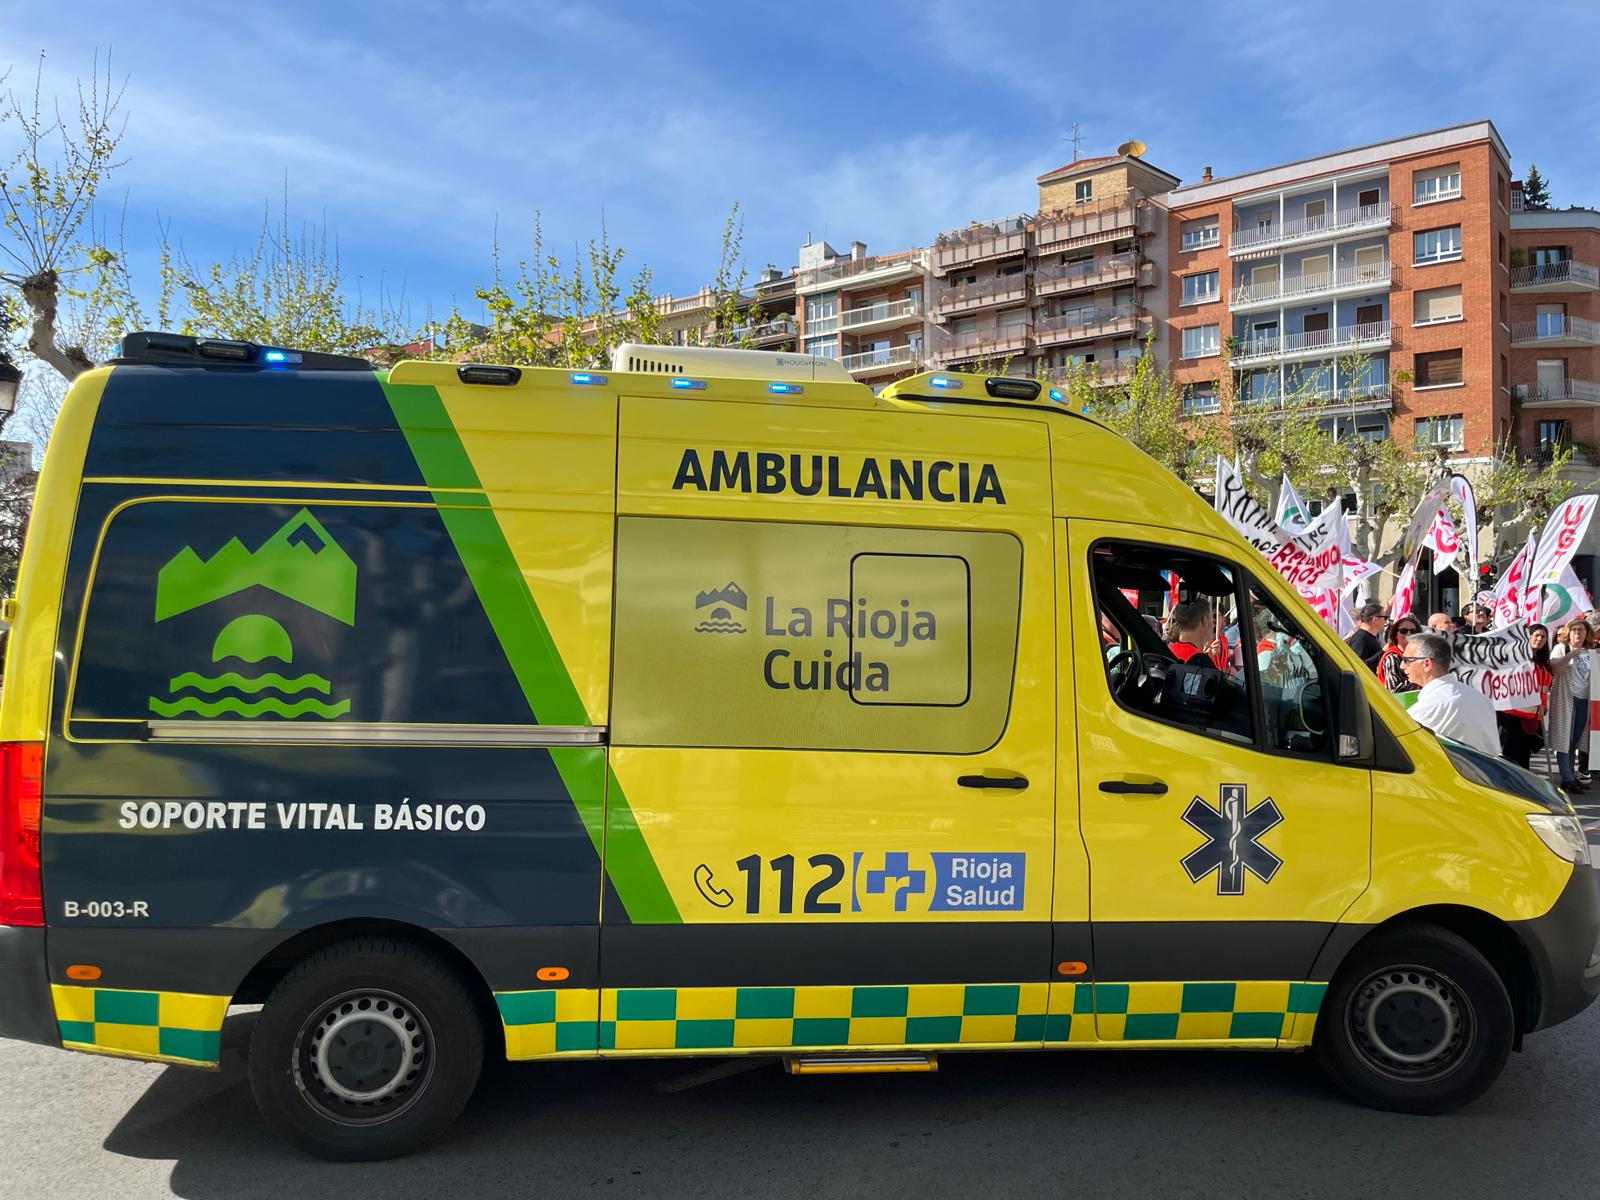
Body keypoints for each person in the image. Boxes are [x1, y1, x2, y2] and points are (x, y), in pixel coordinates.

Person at [1402, 631, 1501, 756]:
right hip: (1488, 771)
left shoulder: (1428, 707)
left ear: (1426, 664)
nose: (1402, 666)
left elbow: (1404, 748)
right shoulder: (1480, 698)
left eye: (1407, 660)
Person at [1498, 622, 1552, 769]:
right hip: (1512, 715)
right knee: (1510, 756)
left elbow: (1544, 686)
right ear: (1527, 637)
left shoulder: (1543, 663)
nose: (1539, 639)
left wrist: (1544, 703)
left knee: (1523, 757)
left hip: (1532, 716)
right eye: (1536, 635)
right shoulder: (1516, 658)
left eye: (1543, 636)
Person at [1549, 618, 1593, 792]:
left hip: (1584, 699)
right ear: (1568, 632)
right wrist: (1570, 656)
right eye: (1574, 629)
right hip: (1566, 698)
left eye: (1581, 629)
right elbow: (1554, 670)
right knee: (1563, 739)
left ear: (1586, 633)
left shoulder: (1590, 652)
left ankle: (1571, 775)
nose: (1577, 632)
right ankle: (1567, 778)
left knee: (1575, 739)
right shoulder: (1561, 648)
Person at [1166, 598, 1220, 669]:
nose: (1213, 624)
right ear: (1204, 620)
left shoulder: (1168, 649)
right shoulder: (1201, 663)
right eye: (1212, 618)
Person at [1377, 616, 1421, 693]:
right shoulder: (1392, 657)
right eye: (1403, 631)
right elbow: (1394, 689)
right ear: (1395, 635)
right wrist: (1419, 676)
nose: (1409, 634)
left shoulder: (1419, 655)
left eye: (1413, 631)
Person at [1344, 602, 1386, 669]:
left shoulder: (1369, 637)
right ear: (1375, 619)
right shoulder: (1360, 638)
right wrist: (1383, 652)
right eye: (1385, 618)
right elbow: (1359, 666)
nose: (1385, 621)